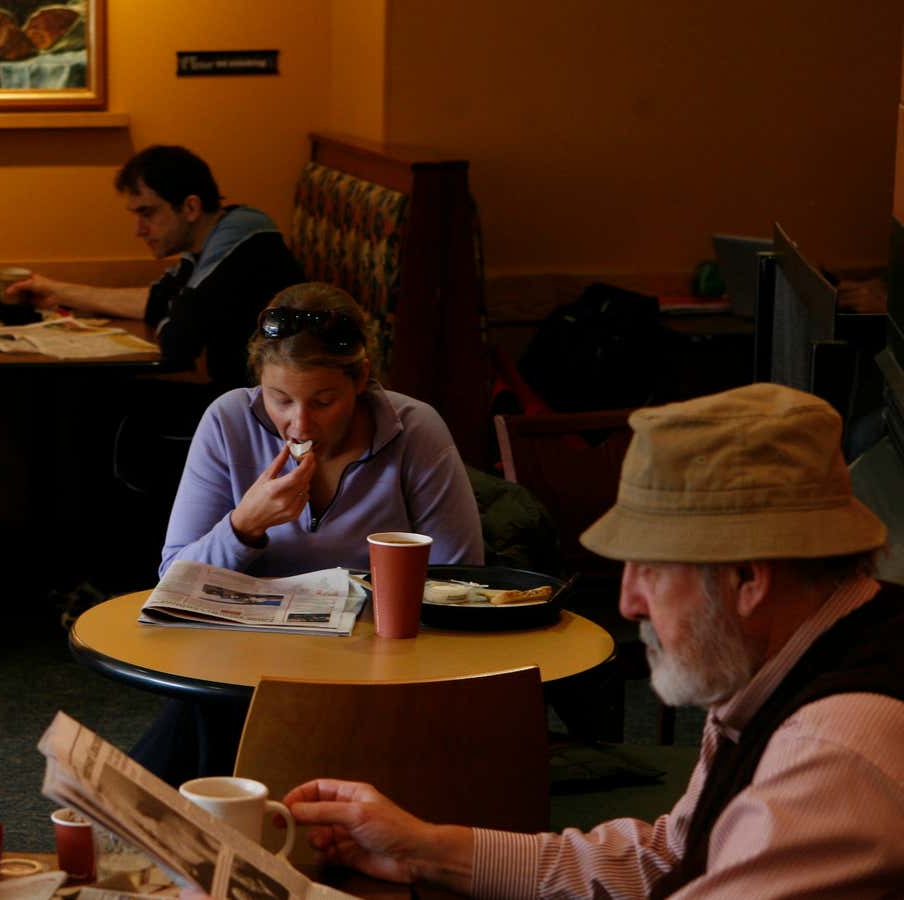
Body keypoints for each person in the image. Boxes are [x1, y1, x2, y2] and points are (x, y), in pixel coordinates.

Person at [277, 383, 904, 898]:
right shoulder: (782, 665)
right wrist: (424, 850)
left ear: (747, 579)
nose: (629, 602)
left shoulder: (833, 752)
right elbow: (670, 857)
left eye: (650, 570)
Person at [132, 282, 485, 785]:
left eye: (323, 401)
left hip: (373, 667)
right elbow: (173, 579)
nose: (299, 424)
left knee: (199, 744)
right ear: (259, 382)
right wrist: (244, 525)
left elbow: (463, 576)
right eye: (280, 400)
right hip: (246, 665)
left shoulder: (414, 430)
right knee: (210, 713)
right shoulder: (229, 421)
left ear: (361, 378)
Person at [5, 144, 304, 389]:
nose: (139, 229)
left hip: (264, 409)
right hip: (237, 393)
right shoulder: (207, 239)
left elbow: (177, 345)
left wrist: (171, 315)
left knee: (91, 398)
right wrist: (56, 291)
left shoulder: (241, 238)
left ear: (190, 207)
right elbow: (156, 301)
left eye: (147, 213)